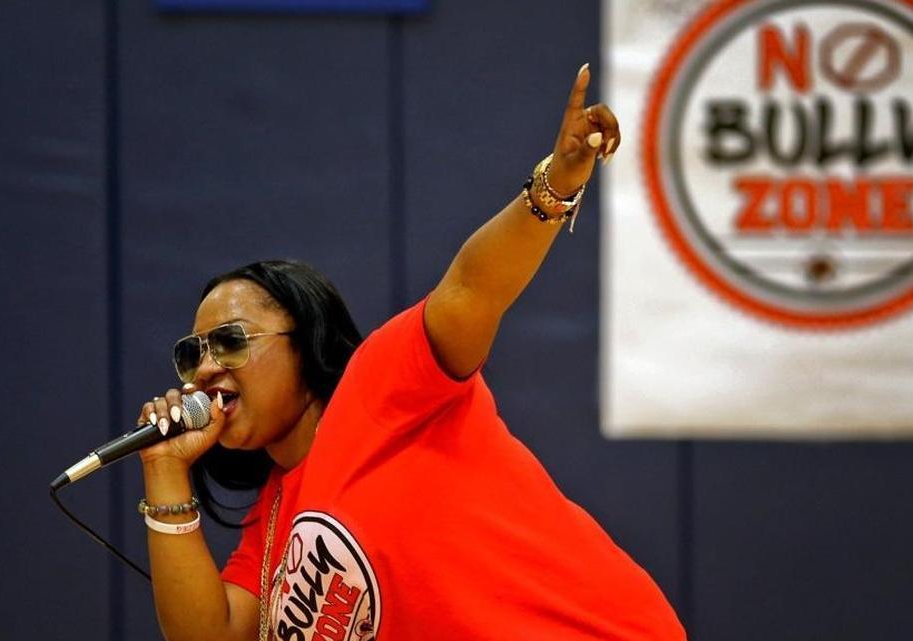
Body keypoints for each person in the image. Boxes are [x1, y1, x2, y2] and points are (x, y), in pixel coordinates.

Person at [136, 64, 685, 641]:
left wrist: (554, 187)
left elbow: (473, 288)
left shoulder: (381, 385)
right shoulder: (273, 521)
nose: (204, 368)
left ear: (306, 342)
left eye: (230, 341)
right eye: (191, 354)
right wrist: (164, 470)